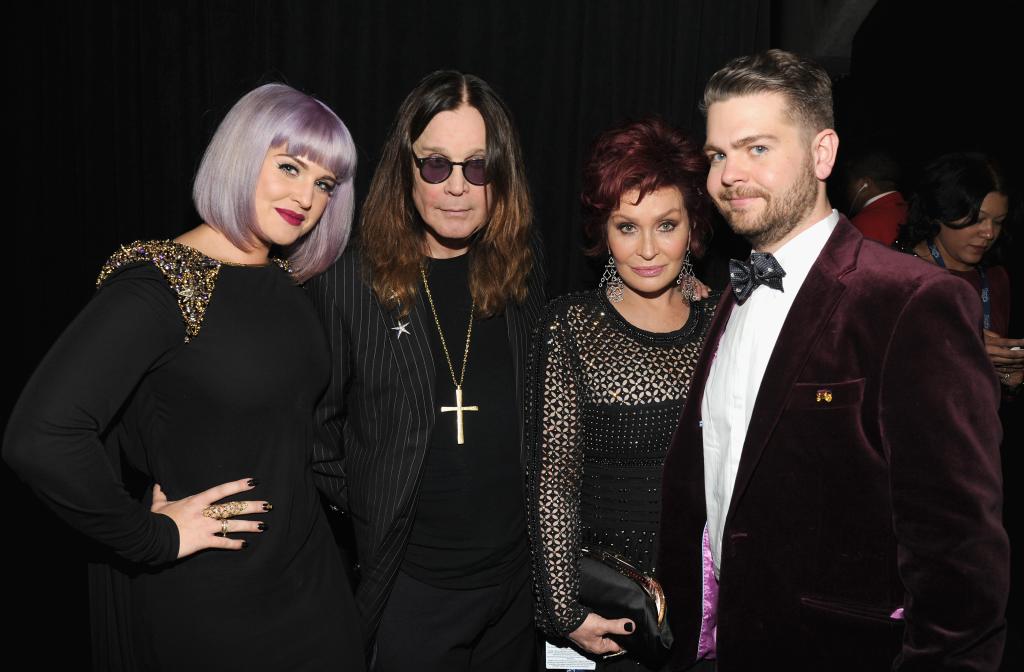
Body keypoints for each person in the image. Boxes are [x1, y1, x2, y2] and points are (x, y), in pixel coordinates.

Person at [658, 49, 1009, 671]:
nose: (729, 175)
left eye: (757, 148)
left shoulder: (913, 303)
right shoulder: (726, 300)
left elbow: (958, 554)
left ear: (823, 153)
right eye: (717, 154)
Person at [3, 83, 364, 671]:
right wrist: (152, 536)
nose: (306, 195)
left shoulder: (286, 282)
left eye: (324, 183)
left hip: (312, 588)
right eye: (290, 166)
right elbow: (41, 436)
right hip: (212, 605)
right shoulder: (160, 284)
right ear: (241, 157)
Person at [307, 70, 545, 672]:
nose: (458, 188)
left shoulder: (523, 273)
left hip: (516, 589)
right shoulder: (349, 284)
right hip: (414, 591)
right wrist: (375, 502)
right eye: (436, 165)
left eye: (478, 166)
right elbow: (317, 437)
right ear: (405, 169)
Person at [526, 118, 717, 670]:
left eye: (666, 224)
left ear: (693, 226)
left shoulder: (722, 320)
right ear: (603, 232)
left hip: (711, 599)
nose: (649, 249)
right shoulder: (571, 327)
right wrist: (564, 613)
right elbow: (552, 484)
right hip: (615, 607)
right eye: (627, 227)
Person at [896, 152, 1022, 392]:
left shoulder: (996, 278)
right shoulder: (898, 275)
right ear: (942, 211)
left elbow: (994, 388)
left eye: (998, 221)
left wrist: (1011, 379)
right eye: (977, 219)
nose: (989, 233)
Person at [844, 147, 907, 246]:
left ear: (864, 185)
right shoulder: (911, 210)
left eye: (849, 183)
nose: (847, 190)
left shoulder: (858, 228)